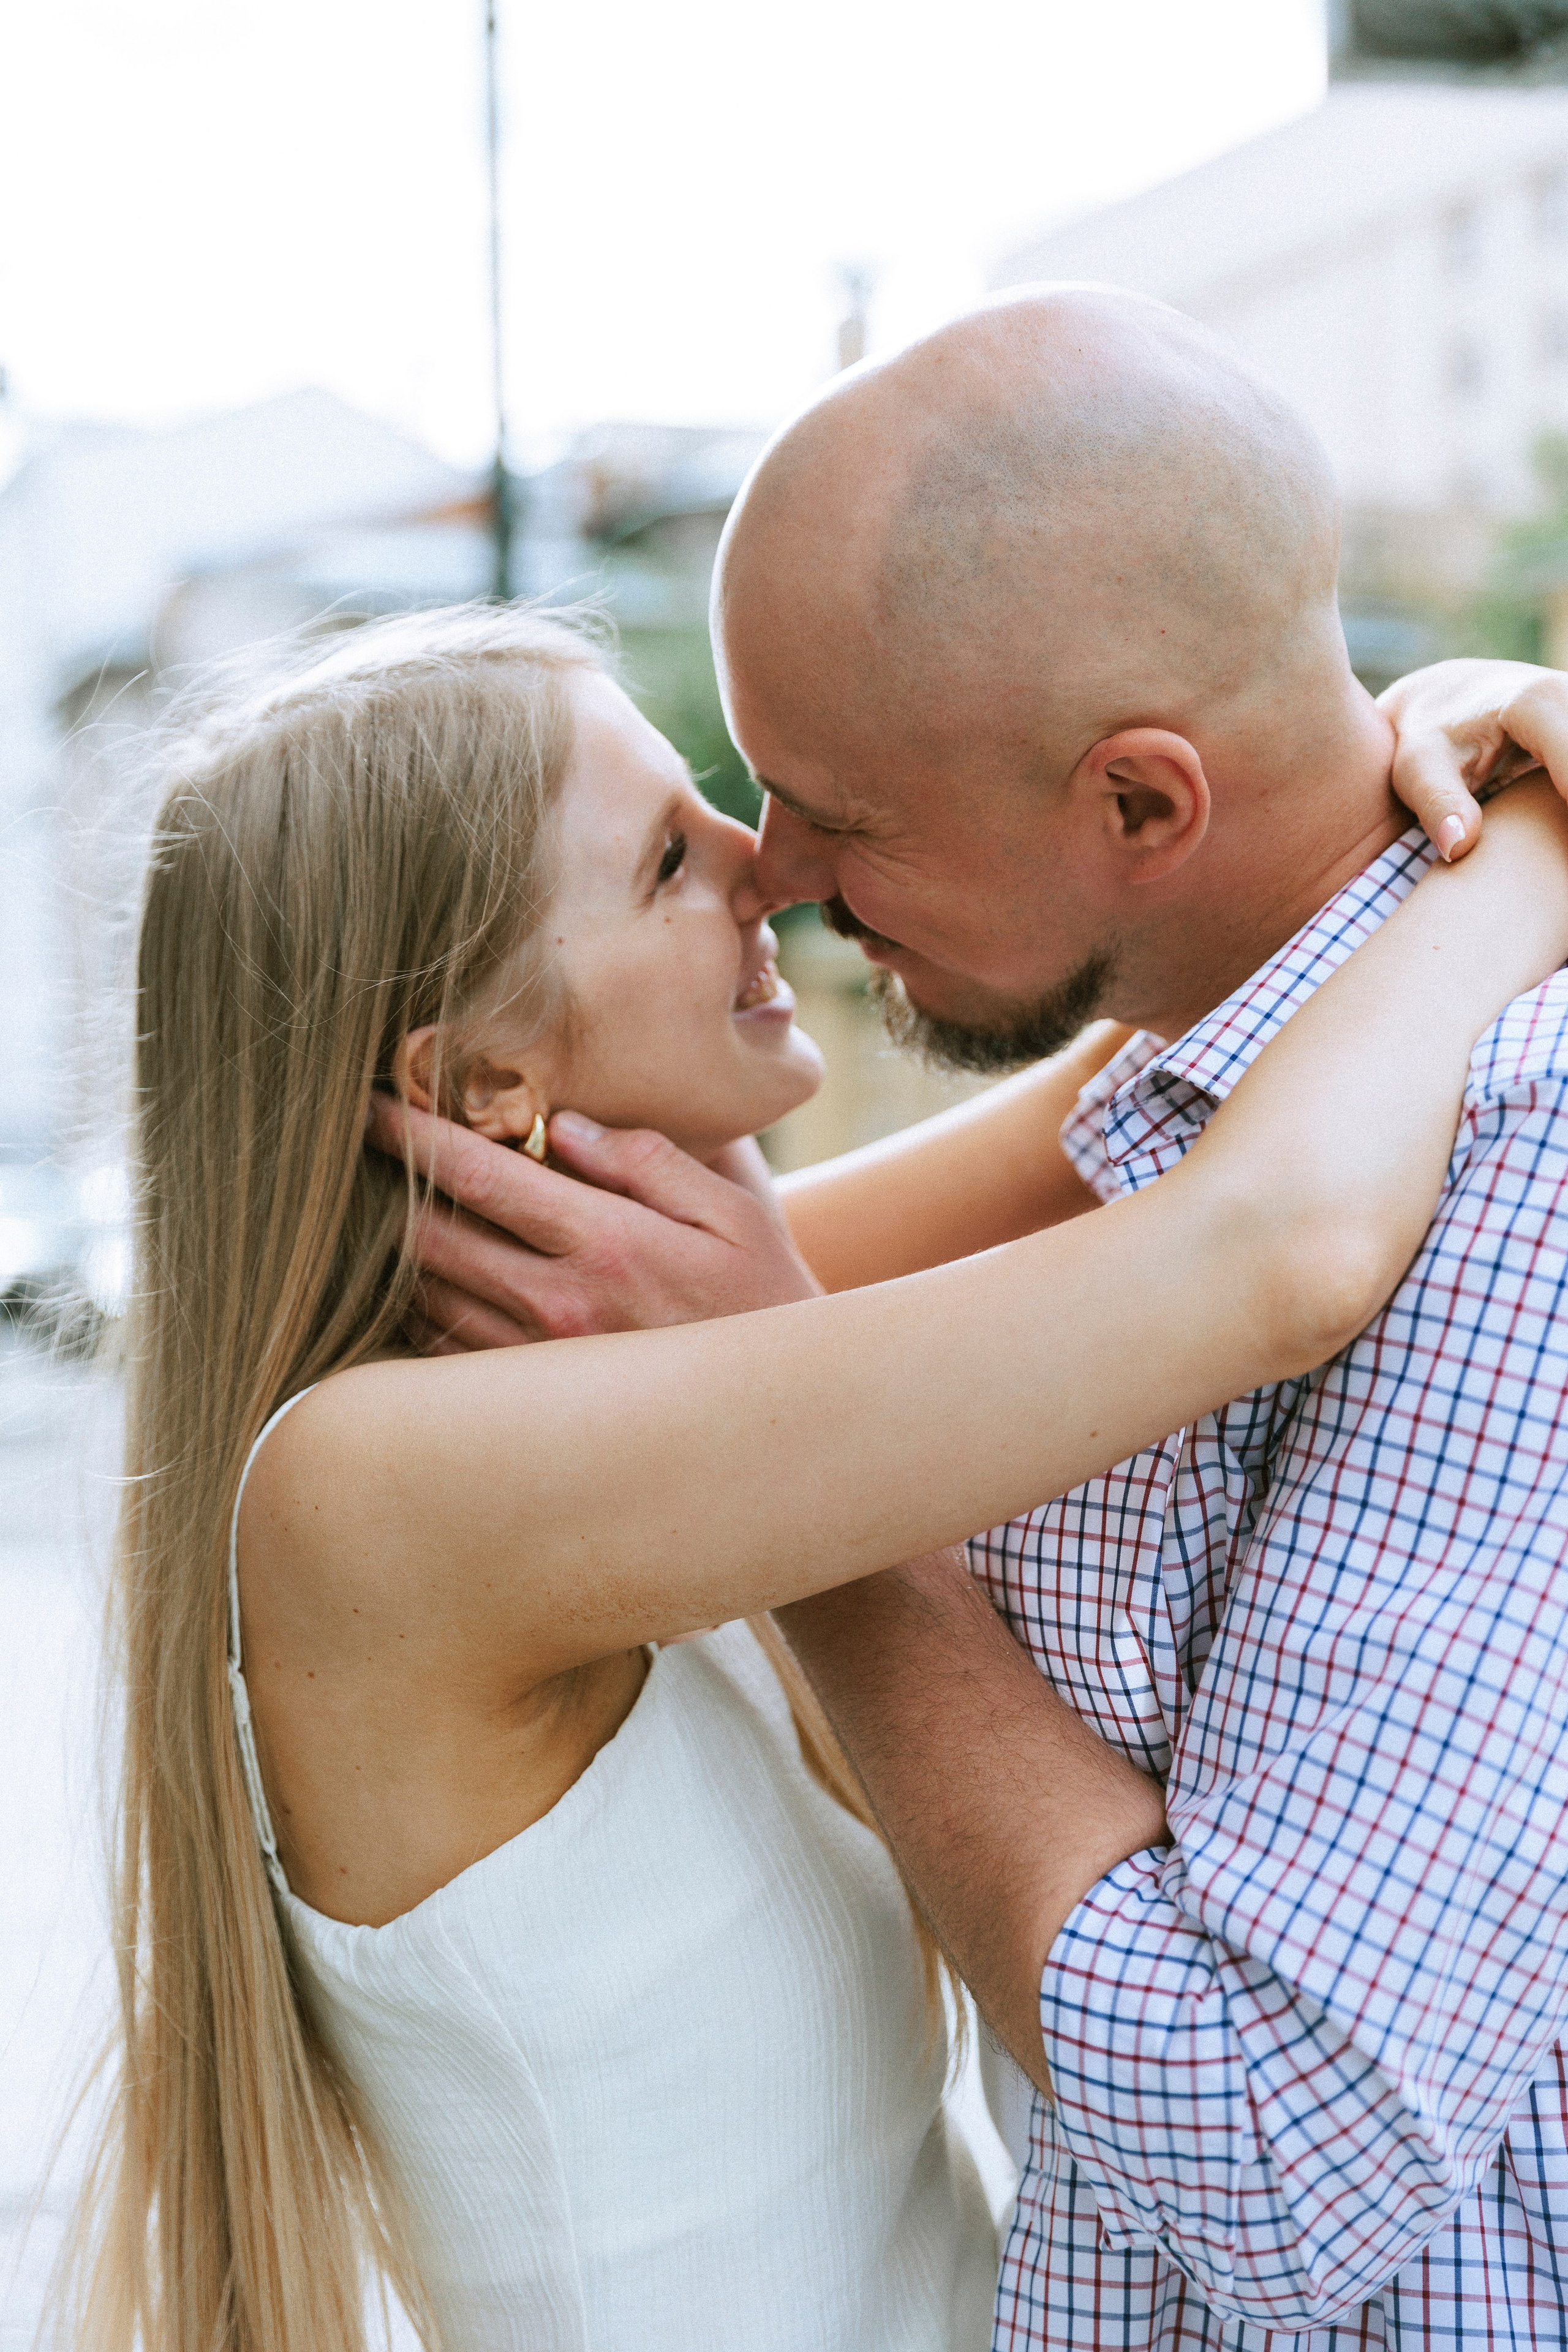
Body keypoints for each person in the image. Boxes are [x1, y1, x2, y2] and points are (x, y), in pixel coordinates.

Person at [69, 589, 1568, 2352]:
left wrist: (1427, 732)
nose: (766, 868)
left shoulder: (619, 1340)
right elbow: (1276, 1242)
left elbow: (1180, 1045)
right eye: (665, 861)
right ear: (480, 1077)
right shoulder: (385, 1486)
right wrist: (1530, 843)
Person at [400, 289, 1568, 2351]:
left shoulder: (1515, 1155)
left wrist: (788, 1472)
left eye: (841, 811)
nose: (777, 877)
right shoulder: (1167, 1105)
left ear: (1141, 806)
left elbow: (1280, 2158)